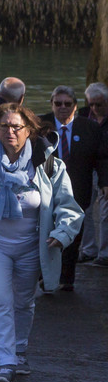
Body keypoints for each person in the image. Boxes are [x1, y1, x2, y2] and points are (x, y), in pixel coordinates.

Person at [0, 101, 82, 382]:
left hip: (32, 246)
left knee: (24, 301)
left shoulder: (48, 164)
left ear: (29, 130)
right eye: (4, 126)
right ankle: (6, 363)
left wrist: (62, 233)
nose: (9, 131)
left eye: (16, 126)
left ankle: (20, 351)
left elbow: (69, 207)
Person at [38, 85, 108, 291]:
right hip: (47, 191)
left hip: (78, 190)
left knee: (73, 236)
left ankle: (66, 279)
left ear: (76, 107)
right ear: (51, 105)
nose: (62, 108)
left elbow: (102, 158)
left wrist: (104, 182)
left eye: (67, 104)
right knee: (47, 232)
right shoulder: (41, 126)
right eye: (57, 103)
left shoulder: (90, 128)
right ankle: (47, 275)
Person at [84, 83, 108, 264]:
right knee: (84, 209)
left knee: (105, 213)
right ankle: (88, 249)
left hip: (105, 168)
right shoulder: (84, 116)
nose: (94, 108)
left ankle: (104, 254)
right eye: (91, 104)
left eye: (98, 105)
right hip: (87, 167)